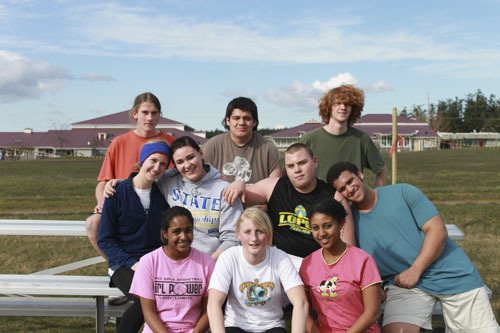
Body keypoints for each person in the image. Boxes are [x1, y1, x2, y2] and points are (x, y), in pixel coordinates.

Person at [327, 161, 500, 333]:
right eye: (342, 189)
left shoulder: (402, 192)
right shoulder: (351, 222)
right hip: (403, 285)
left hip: (450, 273)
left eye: (350, 181)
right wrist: (342, 207)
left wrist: (415, 270)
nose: (349, 189)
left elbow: (438, 230)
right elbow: (351, 258)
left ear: (360, 174)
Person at [86, 92, 175, 257]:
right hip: (121, 204)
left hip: (156, 205)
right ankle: (116, 264)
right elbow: (103, 182)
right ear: (135, 114)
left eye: (154, 113)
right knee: (93, 223)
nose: (149, 118)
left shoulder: (169, 142)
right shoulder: (119, 142)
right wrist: (102, 203)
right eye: (145, 112)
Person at [97, 141, 171, 333]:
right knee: (145, 299)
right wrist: (131, 263)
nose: (156, 168)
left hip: (153, 263)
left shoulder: (162, 196)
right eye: (153, 161)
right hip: (122, 265)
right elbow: (105, 240)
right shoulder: (116, 193)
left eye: (163, 164)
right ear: (142, 160)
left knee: (163, 297)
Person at [243, 143, 354, 265]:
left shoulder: (334, 198)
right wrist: (239, 185)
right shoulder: (273, 187)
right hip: (278, 264)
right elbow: (239, 197)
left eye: (302, 163)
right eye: (291, 166)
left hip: (317, 267)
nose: (297, 170)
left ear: (314, 161)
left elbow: (347, 250)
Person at [207, 207, 308, 333]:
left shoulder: (280, 257)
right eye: (247, 232)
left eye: (260, 231)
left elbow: (301, 303)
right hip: (235, 325)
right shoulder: (228, 257)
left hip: (272, 326)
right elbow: (213, 303)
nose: (254, 238)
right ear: (238, 234)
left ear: (268, 233)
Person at [300, 198, 382, 333]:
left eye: (327, 226)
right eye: (315, 228)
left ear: (341, 223)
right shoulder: (308, 263)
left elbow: (372, 312)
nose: (321, 234)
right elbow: (303, 309)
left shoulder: (363, 261)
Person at [129, 206, 215, 333]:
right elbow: (149, 313)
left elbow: (209, 310)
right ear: (165, 234)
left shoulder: (206, 262)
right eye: (176, 232)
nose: (184, 236)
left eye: (188, 230)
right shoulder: (148, 262)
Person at [156, 136, 242, 260]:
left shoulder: (224, 190)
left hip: (211, 261)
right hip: (175, 261)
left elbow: (232, 238)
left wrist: (208, 264)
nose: (187, 165)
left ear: (201, 154)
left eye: (190, 157)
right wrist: (118, 182)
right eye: (180, 162)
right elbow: (144, 179)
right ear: (174, 166)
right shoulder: (168, 182)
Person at [299, 84, 387, 186]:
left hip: (353, 201)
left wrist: (376, 197)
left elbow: (381, 170)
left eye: (348, 104)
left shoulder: (362, 139)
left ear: (353, 109)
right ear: (329, 107)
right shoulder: (308, 140)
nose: (343, 107)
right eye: (338, 103)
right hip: (319, 201)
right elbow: (290, 173)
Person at [202, 97, 281, 204]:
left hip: (256, 212)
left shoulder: (268, 148)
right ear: (227, 121)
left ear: (255, 122)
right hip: (220, 209)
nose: (241, 122)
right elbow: (201, 184)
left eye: (247, 118)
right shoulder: (212, 146)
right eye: (236, 118)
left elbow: (276, 190)